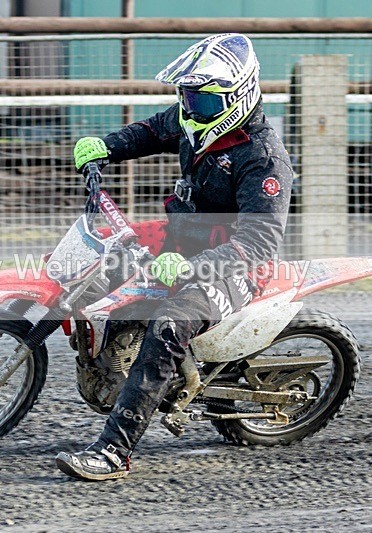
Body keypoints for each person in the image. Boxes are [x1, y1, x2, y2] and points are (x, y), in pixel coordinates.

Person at [55, 33, 294, 481]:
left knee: (168, 325)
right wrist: (107, 145)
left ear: (238, 96)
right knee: (101, 269)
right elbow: (152, 130)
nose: (189, 107)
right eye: (185, 95)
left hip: (235, 270)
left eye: (201, 100)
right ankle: (112, 363)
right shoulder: (194, 118)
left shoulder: (263, 160)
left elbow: (259, 243)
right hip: (181, 246)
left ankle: (114, 452)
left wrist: (193, 267)